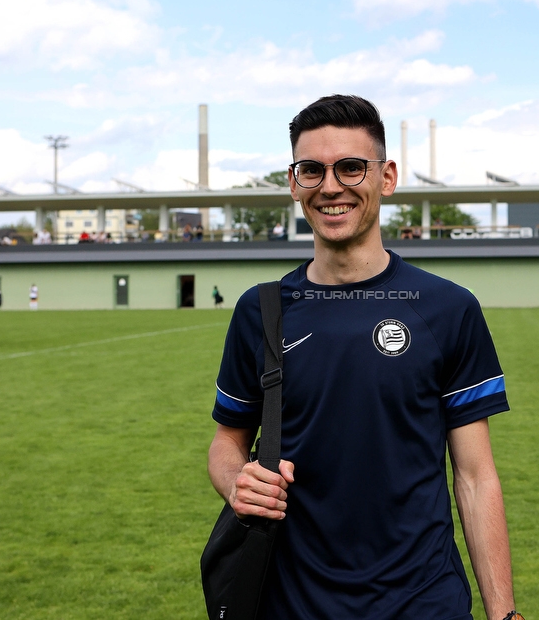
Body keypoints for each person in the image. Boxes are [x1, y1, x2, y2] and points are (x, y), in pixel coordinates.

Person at [207, 95, 520, 620]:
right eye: (312, 170)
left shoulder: (447, 308)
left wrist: (505, 614)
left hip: (424, 603)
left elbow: (475, 475)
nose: (331, 187)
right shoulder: (260, 312)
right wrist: (238, 480)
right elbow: (227, 440)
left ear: (387, 177)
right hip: (291, 604)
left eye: (351, 167)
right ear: (293, 183)